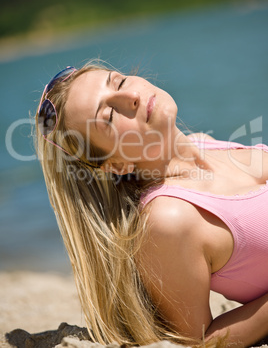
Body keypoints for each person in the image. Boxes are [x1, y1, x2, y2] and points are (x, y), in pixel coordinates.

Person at [35, 61, 268, 347]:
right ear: (116, 164)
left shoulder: (206, 144)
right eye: (109, 116)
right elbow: (198, 341)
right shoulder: (169, 218)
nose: (130, 96)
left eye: (118, 82)